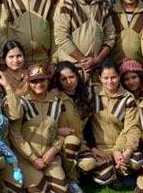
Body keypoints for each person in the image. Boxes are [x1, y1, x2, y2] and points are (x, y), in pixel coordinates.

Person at [7, 64, 69, 193]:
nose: (38, 84)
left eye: (42, 80)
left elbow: (62, 131)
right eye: (34, 81)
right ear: (28, 82)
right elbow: (15, 133)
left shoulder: (57, 102)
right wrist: (32, 158)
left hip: (49, 157)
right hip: (26, 158)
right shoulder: (23, 102)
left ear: (48, 80)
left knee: (62, 190)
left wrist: (53, 151)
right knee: (40, 191)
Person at [78, 60, 140, 186]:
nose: (110, 82)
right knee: (104, 178)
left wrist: (125, 151)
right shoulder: (92, 92)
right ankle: (112, 174)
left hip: (120, 145)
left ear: (119, 77)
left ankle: (118, 172)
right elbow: (84, 123)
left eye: (113, 77)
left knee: (136, 161)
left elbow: (131, 128)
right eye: (105, 78)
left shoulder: (127, 98)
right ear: (100, 78)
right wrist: (92, 148)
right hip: (99, 148)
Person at [53, 0, 116, 83]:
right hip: (72, 69)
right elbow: (61, 37)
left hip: (96, 69)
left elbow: (110, 37)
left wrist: (97, 60)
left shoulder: (103, 5)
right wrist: (83, 60)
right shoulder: (67, 3)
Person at [50, 61, 92, 193]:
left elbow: (89, 124)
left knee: (90, 163)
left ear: (77, 76)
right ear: (58, 81)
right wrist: (57, 130)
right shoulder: (55, 97)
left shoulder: (85, 94)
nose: (69, 82)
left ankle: (74, 173)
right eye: (64, 79)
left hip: (81, 141)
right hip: (60, 142)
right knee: (72, 142)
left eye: (71, 77)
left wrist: (94, 147)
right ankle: (72, 180)